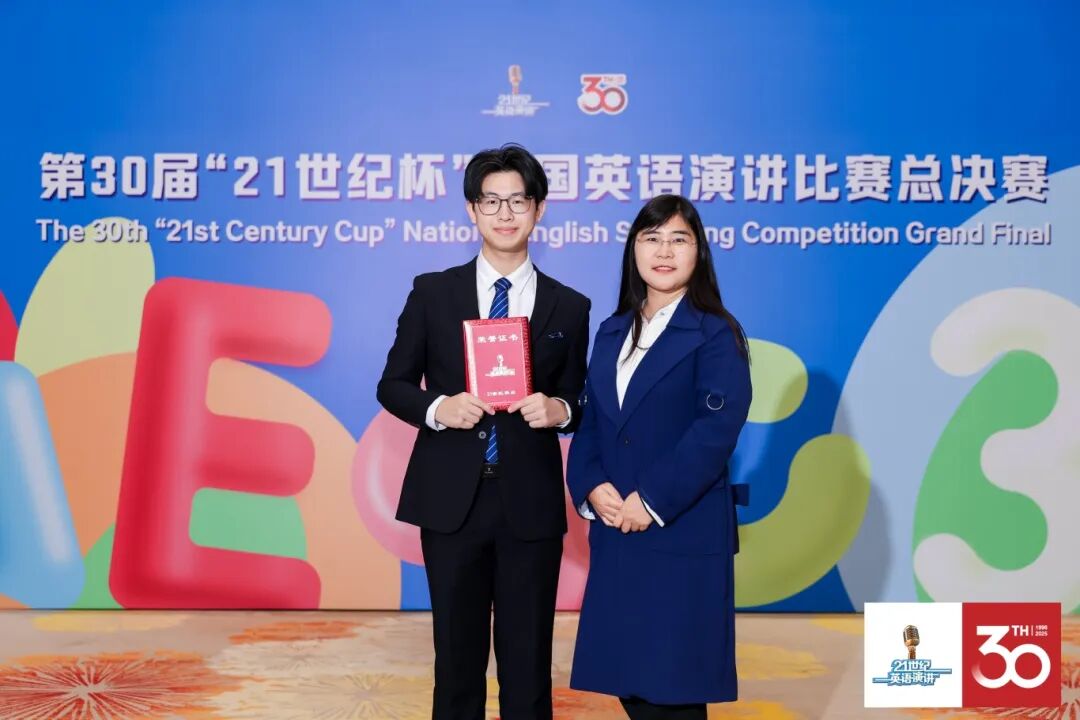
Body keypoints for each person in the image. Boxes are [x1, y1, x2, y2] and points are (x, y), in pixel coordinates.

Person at [377, 143, 591, 720]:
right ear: (472, 209)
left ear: (539, 209)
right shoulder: (433, 292)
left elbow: (581, 399)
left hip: (529, 503)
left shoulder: (569, 306)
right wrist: (438, 407)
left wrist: (560, 410)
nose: (504, 213)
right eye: (491, 201)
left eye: (517, 201)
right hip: (452, 501)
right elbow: (392, 385)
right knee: (456, 666)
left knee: (529, 668)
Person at [566, 194, 751, 719]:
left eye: (678, 239)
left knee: (674, 690)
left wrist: (649, 499)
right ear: (634, 250)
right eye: (651, 238)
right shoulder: (611, 331)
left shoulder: (715, 333)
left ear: (699, 252)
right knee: (630, 684)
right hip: (617, 530)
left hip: (678, 529)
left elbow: (715, 430)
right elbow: (592, 422)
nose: (664, 251)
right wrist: (590, 484)